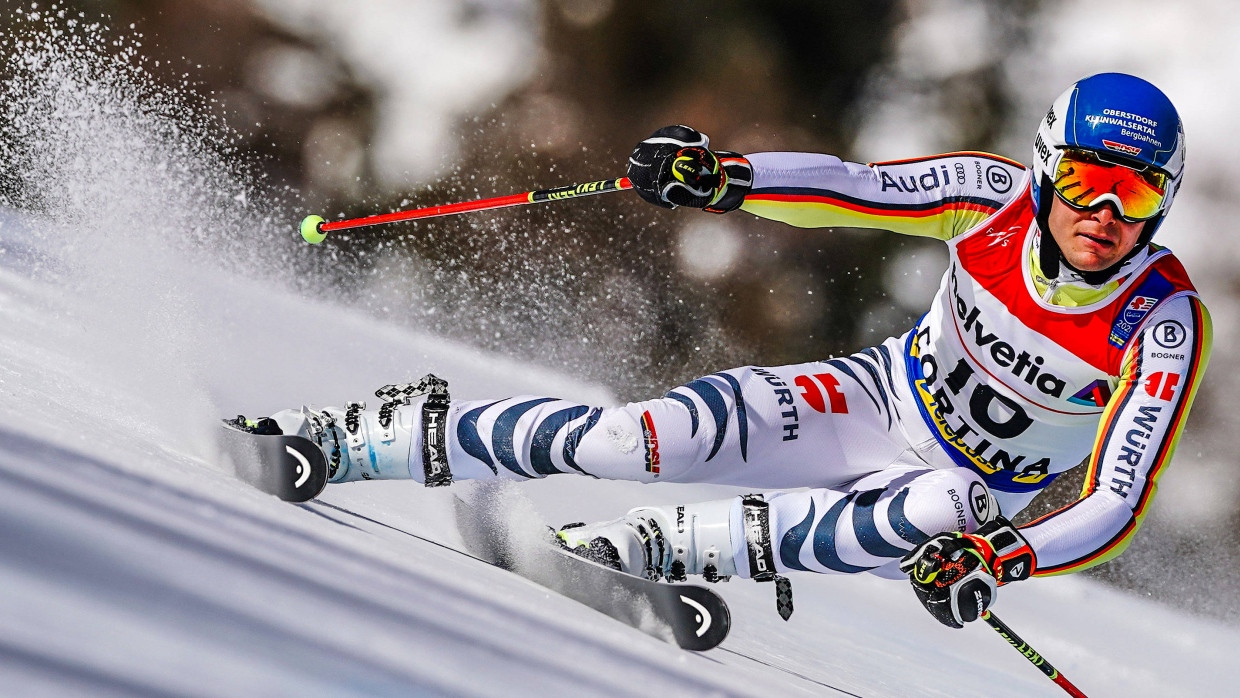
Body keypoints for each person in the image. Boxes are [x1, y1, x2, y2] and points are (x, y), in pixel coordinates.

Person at [241, 72, 1210, 629]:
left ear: (1158, 205)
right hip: (870, 400)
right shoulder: (988, 195)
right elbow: (851, 187)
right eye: (1085, 179)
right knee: (625, 438)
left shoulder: (1161, 322)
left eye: (1132, 196)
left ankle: (637, 550)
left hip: (957, 503)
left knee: (946, 500)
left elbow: (1115, 501)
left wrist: (996, 558)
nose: (1101, 215)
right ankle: (343, 438)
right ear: (1047, 168)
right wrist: (721, 177)